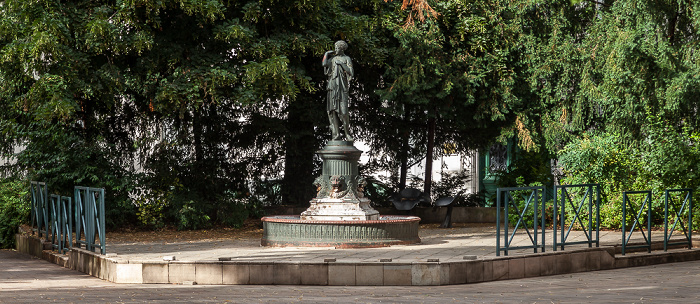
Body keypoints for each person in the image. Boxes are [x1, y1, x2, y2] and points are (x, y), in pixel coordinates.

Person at [322, 40, 354, 141]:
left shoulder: (346, 58)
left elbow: (350, 72)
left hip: (342, 87)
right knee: (333, 111)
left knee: (344, 112)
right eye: (335, 48)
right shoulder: (332, 59)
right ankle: (336, 134)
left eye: (337, 48)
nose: (335, 50)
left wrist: (341, 64)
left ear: (342, 49)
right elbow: (324, 65)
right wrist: (326, 54)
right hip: (332, 86)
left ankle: (347, 134)